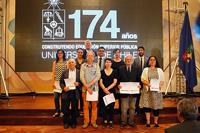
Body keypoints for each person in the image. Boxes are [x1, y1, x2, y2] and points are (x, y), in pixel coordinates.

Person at [139, 56, 164, 128]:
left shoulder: (159, 70)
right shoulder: (145, 69)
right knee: (147, 107)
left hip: (156, 92)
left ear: (156, 62)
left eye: (154, 60)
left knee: (156, 107)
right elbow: (142, 79)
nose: (152, 61)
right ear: (149, 61)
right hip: (147, 91)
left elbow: (162, 80)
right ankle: (148, 122)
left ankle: (156, 122)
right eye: (151, 60)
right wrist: (149, 84)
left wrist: (159, 85)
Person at [118, 54, 140, 128]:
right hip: (124, 92)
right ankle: (123, 122)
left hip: (134, 92)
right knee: (124, 108)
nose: (128, 61)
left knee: (132, 108)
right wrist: (118, 85)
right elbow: (117, 80)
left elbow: (139, 79)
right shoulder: (120, 69)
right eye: (127, 60)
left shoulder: (137, 68)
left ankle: (131, 121)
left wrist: (140, 85)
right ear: (124, 61)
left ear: (132, 61)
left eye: (130, 60)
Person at [80, 51, 101, 128]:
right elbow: (81, 77)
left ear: (94, 57)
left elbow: (98, 76)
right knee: (85, 107)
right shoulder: (83, 65)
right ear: (86, 57)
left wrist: (89, 85)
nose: (90, 57)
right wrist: (87, 87)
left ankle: (93, 122)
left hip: (94, 90)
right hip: (85, 90)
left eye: (91, 55)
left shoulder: (96, 65)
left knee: (94, 107)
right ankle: (86, 122)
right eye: (88, 55)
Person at [60, 59, 81, 129]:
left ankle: (73, 123)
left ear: (75, 64)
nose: (71, 63)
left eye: (72, 62)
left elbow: (82, 82)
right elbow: (61, 83)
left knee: (74, 109)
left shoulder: (79, 72)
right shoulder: (64, 72)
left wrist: (78, 83)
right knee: (66, 109)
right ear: (68, 64)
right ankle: (66, 123)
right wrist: (64, 88)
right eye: (69, 63)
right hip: (66, 92)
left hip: (75, 92)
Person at [99, 58, 117, 128]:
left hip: (111, 92)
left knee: (111, 107)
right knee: (104, 107)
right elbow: (100, 82)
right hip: (103, 91)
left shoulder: (115, 71)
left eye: (109, 62)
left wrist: (108, 89)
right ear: (105, 63)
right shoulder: (102, 72)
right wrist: (104, 89)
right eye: (107, 62)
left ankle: (111, 121)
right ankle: (105, 121)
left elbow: (115, 82)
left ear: (111, 63)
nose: (108, 63)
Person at [52, 49, 67, 117]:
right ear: (57, 54)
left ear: (63, 54)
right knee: (56, 97)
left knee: (63, 98)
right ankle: (57, 111)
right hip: (56, 82)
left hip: (63, 83)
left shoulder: (66, 62)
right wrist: (53, 82)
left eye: (61, 53)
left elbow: (67, 73)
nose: (60, 54)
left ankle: (62, 112)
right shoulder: (55, 62)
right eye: (58, 53)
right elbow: (53, 73)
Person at [133, 46, 148, 115]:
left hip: (145, 80)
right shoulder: (134, 60)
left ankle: (144, 110)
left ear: (144, 51)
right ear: (137, 51)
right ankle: (137, 110)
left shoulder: (147, 59)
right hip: (137, 80)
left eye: (141, 50)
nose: (140, 51)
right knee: (137, 96)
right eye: (139, 50)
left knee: (145, 95)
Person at [111, 49, 125, 116]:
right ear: (114, 54)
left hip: (120, 83)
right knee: (112, 97)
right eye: (115, 53)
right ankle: (112, 111)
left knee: (120, 98)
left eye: (118, 53)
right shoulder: (111, 62)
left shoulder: (123, 62)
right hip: (112, 82)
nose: (117, 54)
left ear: (120, 54)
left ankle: (120, 111)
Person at [75, 48, 85, 112]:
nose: (80, 53)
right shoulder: (74, 60)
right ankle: (76, 109)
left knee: (82, 96)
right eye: (79, 52)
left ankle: (82, 109)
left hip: (83, 80)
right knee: (76, 96)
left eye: (81, 52)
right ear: (77, 53)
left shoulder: (85, 60)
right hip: (76, 80)